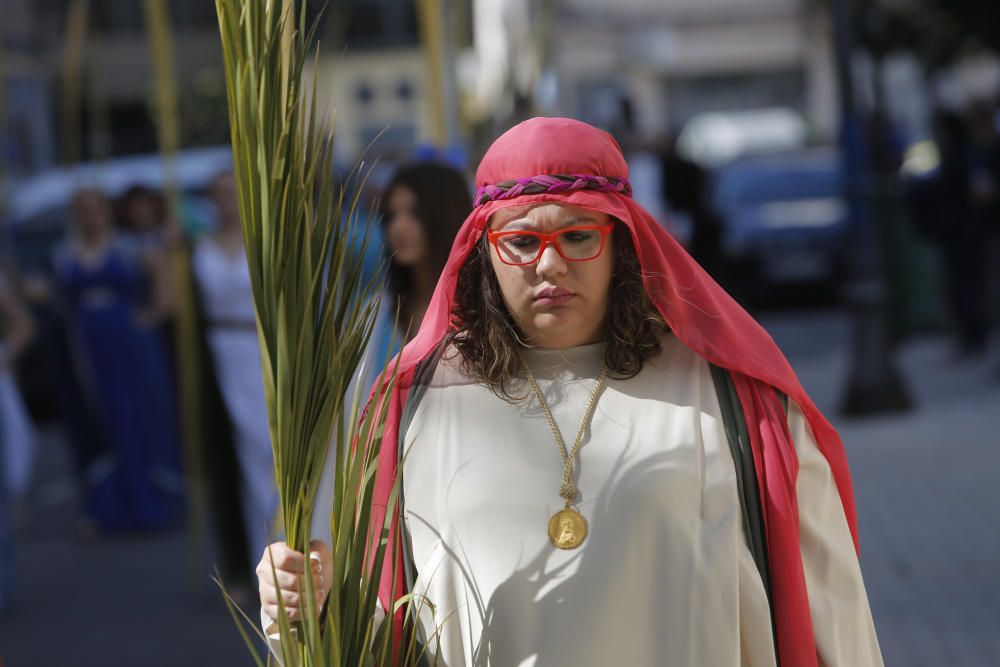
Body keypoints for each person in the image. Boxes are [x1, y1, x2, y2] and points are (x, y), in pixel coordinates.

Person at [258, 118, 883, 666]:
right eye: (522, 241)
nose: (550, 265)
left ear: (622, 244)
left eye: (578, 237)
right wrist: (305, 605)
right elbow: (379, 626)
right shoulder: (413, 407)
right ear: (485, 253)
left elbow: (832, 614)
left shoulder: (735, 403)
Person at [53, 189, 182, 532]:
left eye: (94, 210)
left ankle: (151, 501)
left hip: (129, 347)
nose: (89, 217)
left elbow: (165, 294)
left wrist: (149, 317)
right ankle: (109, 506)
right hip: (88, 349)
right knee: (99, 418)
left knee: (139, 415)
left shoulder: (132, 247)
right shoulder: (65, 253)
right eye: (82, 211)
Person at [192, 172, 278, 568]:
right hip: (217, 355)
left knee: (265, 450)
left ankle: (278, 542)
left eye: (233, 192)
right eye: (220, 193)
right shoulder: (195, 247)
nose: (227, 200)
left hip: (257, 352)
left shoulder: (265, 241)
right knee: (231, 453)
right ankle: (246, 555)